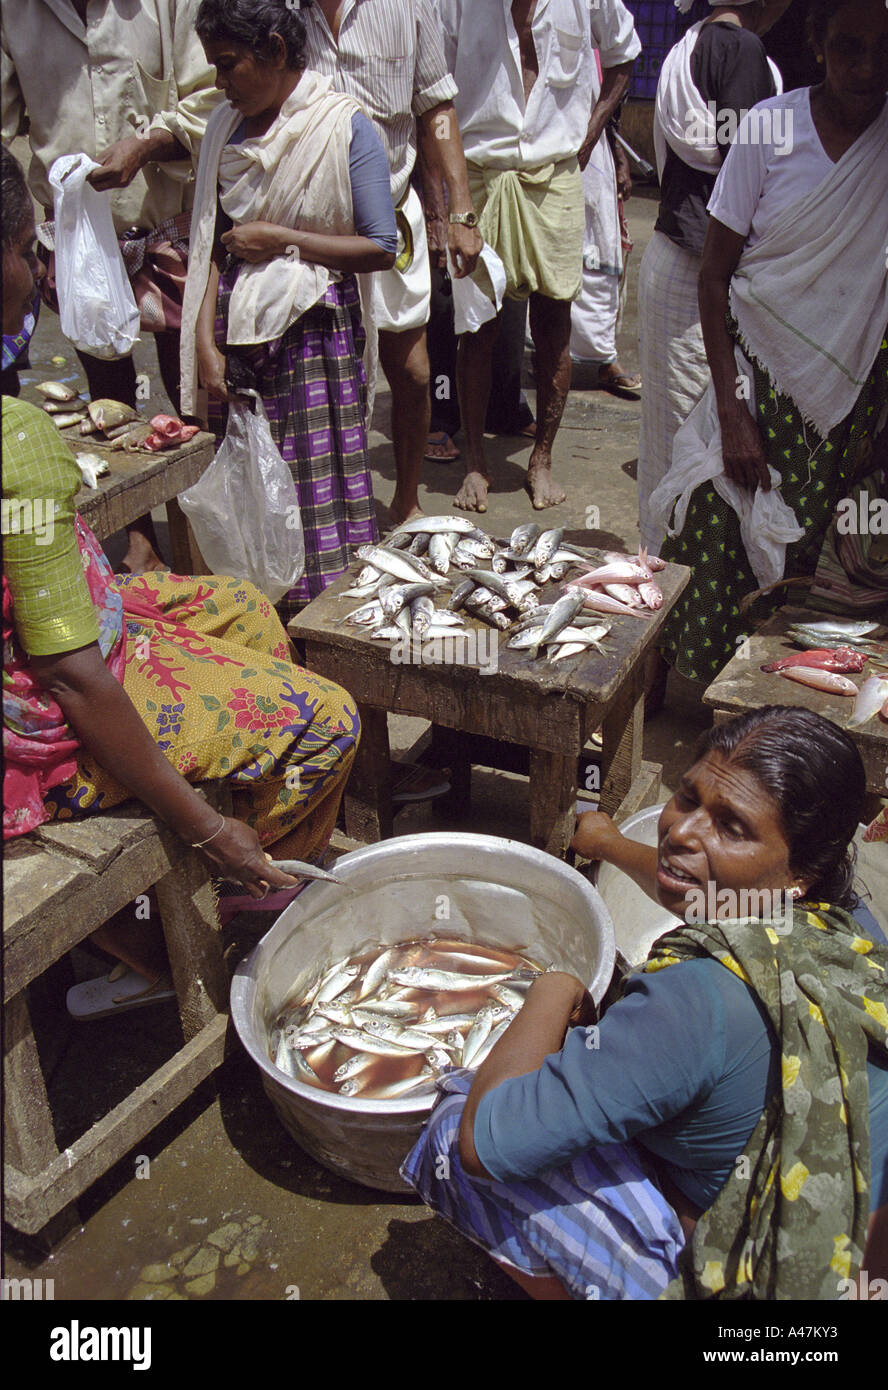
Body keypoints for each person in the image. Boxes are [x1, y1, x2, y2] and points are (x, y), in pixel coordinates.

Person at [2, 144, 360, 1008]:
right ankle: (207, 909)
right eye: (27, 247)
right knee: (330, 722)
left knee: (244, 609)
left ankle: (174, 863)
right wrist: (208, 832)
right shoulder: (16, 443)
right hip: (34, 727)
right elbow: (69, 674)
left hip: (46, 646)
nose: (38, 264)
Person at [402, 706, 888, 1300]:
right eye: (687, 797)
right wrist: (607, 843)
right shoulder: (846, 925)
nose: (681, 831)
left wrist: (555, 984)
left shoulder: (693, 999)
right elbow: (689, 881)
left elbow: (484, 1145)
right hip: (858, 1242)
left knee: (455, 1120)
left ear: (799, 873)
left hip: (783, 1286)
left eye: (732, 826)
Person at [656, 0, 888, 687]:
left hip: (848, 401)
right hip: (753, 383)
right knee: (714, 537)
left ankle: (779, 713)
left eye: (883, 50)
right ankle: (680, 698)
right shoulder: (770, 128)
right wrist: (731, 413)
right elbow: (714, 277)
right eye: (850, 47)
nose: (867, 68)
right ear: (818, 44)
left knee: (816, 572)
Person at [181, 0, 398, 619]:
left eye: (228, 65)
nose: (219, 83)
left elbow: (382, 246)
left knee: (312, 492)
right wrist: (205, 344)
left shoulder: (342, 127)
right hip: (238, 341)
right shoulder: (225, 128)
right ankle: (260, 629)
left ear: (276, 50)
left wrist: (283, 241)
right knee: (251, 495)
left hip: (313, 346)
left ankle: (322, 633)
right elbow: (213, 250)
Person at [1, 0, 222, 573]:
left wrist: (149, 143)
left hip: (167, 224)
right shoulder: (14, 12)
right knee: (105, 398)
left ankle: (206, 531)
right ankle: (139, 538)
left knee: (193, 390)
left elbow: (212, 95)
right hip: (75, 237)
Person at [436, 0, 640, 513]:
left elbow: (624, 55)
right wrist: (445, 204)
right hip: (479, 176)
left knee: (554, 324)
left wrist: (591, 137)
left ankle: (541, 460)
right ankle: (477, 462)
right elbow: (433, 94)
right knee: (478, 326)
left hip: (556, 175)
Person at [300, 0, 482, 523]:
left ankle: (406, 501)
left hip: (393, 218)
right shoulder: (281, 9)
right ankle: (330, 512)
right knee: (326, 374)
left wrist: (461, 209)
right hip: (309, 224)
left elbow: (436, 108)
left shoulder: (407, 5)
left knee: (414, 372)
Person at [637, 0, 791, 560]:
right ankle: (677, 585)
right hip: (702, 274)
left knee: (668, 435)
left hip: (671, 260)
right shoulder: (741, 49)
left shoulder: (691, 43)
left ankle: (656, 565)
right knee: (696, 441)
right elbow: (750, 169)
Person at [569, 37, 642, 397]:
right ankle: (543, 357)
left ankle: (602, 358)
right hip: (549, 147)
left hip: (594, 154)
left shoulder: (601, 33)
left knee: (599, 252)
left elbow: (610, 112)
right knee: (553, 254)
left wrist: (619, 158)